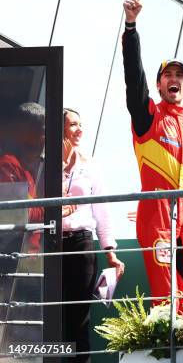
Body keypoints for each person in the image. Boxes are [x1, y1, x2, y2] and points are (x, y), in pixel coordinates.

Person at [122, 0, 183, 311]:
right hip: (155, 212)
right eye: (167, 75)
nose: (174, 79)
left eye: (180, 76)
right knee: (167, 292)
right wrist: (131, 28)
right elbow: (133, 80)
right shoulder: (148, 116)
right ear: (158, 85)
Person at [61, 108, 125, 363]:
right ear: (60, 129)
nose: (80, 129)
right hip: (48, 243)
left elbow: (103, 211)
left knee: (79, 316)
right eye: (73, 125)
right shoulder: (42, 162)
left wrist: (110, 251)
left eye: (80, 124)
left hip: (81, 243)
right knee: (51, 313)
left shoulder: (91, 165)